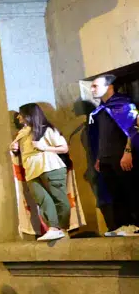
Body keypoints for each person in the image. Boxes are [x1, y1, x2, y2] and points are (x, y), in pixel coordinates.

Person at [84, 74, 138, 236]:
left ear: (109, 86)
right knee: (115, 192)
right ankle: (123, 224)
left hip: (121, 155)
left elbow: (133, 130)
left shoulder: (123, 103)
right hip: (107, 157)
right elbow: (104, 135)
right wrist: (100, 156)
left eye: (95, 86)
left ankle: (136, 223)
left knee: (131, 190)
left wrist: (128, 152)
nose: (91, 89)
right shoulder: (100, 110)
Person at [10, 103, 71, 241]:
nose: (18, 117)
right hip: (31, 171)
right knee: (42, 199)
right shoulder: (22, 134)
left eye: (21, 113)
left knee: (58, 198)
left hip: (50, 167)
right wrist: (15, 149)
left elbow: (64, 148)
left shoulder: (46, 129)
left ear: (29, 114)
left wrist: (45, 147)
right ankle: (53, 228)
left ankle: (62, 228)